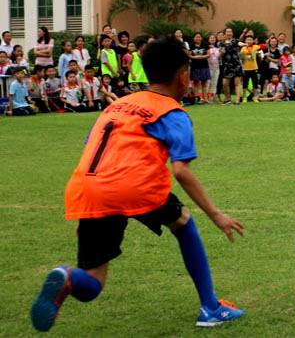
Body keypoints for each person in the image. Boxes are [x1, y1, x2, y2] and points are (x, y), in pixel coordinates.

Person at [30, 36, 245, 332]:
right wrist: (217, 215)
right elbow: (181, 171)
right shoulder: (173, 113)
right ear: (183, 77)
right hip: (134, 185)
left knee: (92, 280)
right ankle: (210, 307)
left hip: (87, 188)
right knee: (183, 222)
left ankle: (66, 276)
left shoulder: (117, 106)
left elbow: (91, 148)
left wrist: (87, 210)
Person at [219, 28, 244, 105]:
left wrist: (244, 44)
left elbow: (239, 43)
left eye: (230, 32)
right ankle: (228, 99)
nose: (229, 33)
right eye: (227, 32)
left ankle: (237, 100)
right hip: (227, 65)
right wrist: (222, 53)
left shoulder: (235, 41)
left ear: (232, 33)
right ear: (225, 34)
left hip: (236, 64)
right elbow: (220, 55)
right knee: (224, 83)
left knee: (237, 83)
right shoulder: (222, 43)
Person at [240, 35, 260, 102]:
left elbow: (261, 47)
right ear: (245, 41)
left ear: (253, 41)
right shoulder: (243, 48)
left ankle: (255, 97)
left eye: (250, 40)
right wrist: (242, 54)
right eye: (247, 40)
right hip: (245, 69)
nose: (249, 41)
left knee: (255, 84)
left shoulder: (255, 46)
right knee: (245, 84)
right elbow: (241, 57)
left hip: (254, 68)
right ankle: (244, 97)